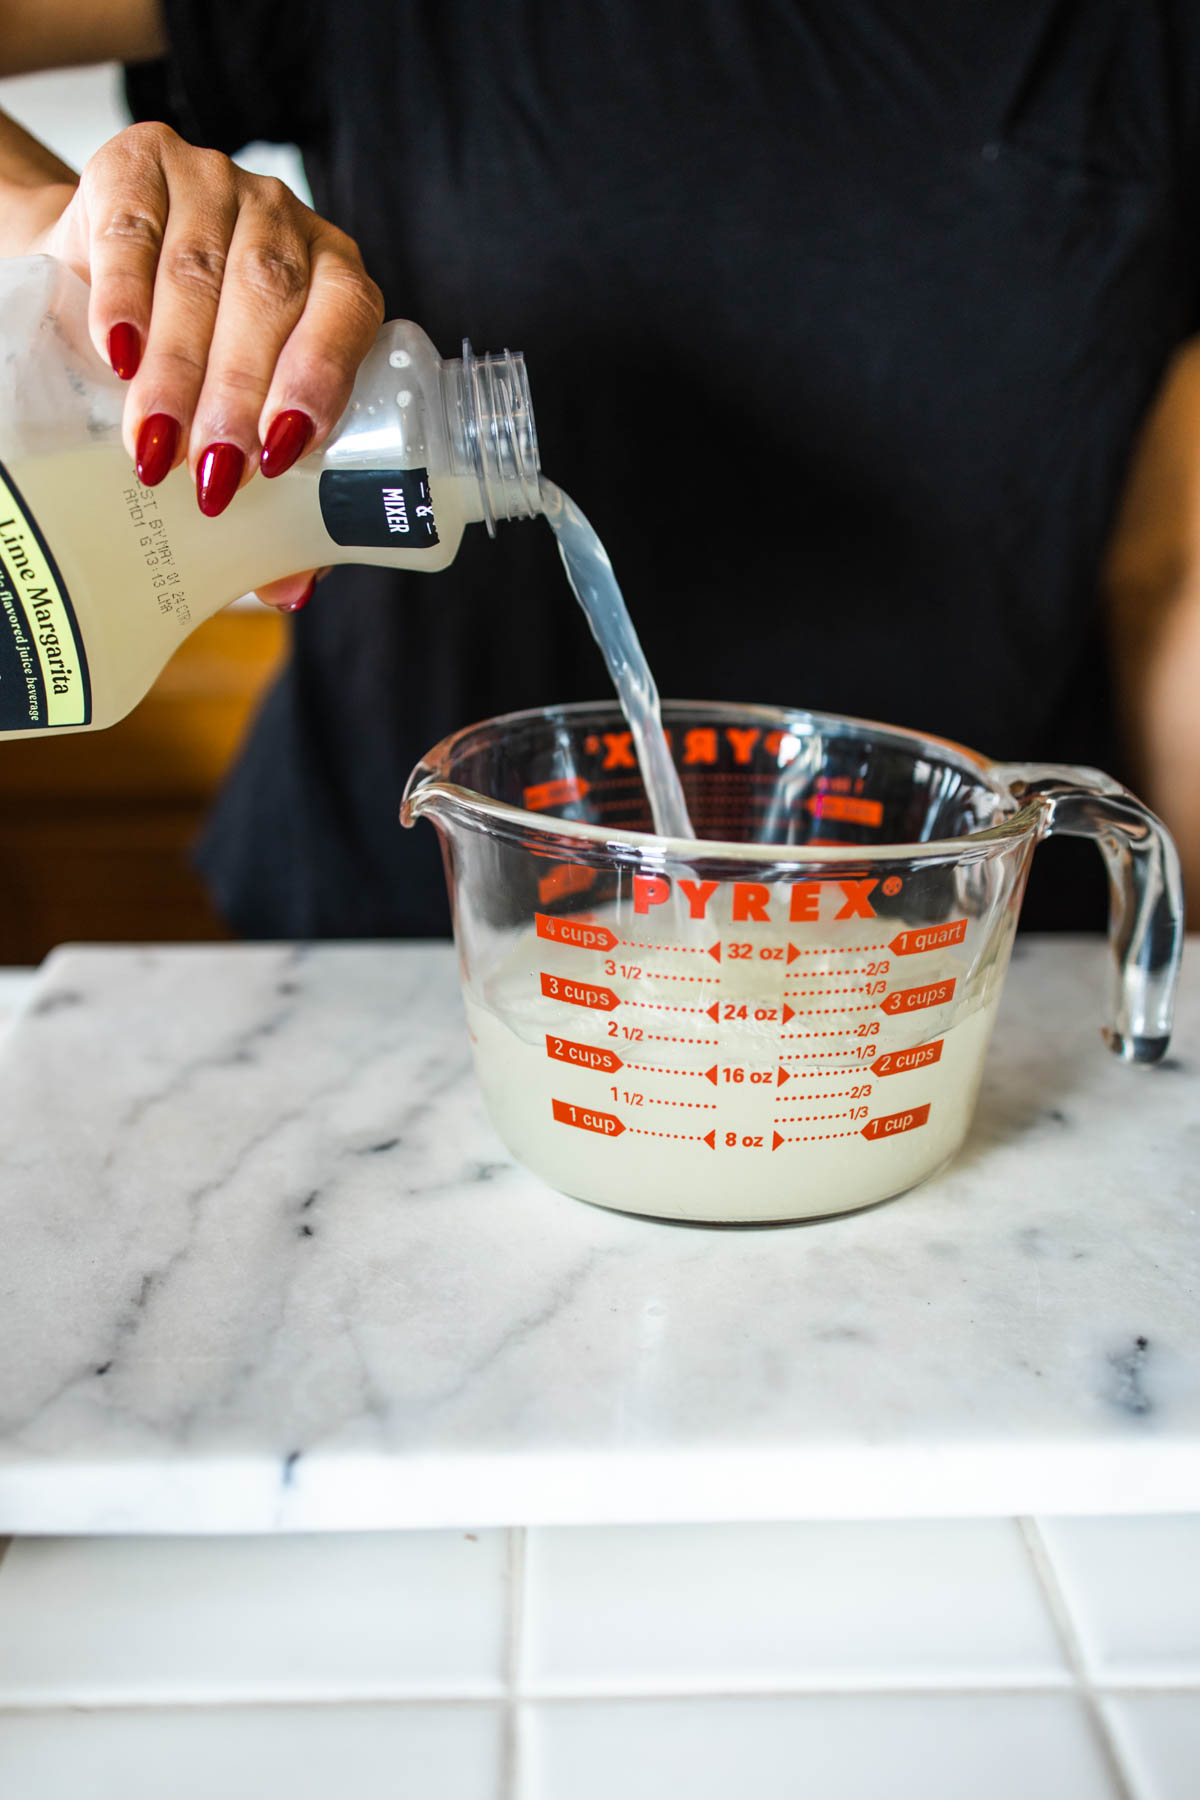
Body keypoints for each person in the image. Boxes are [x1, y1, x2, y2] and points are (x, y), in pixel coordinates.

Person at [0, 0, 1197, 936]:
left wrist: (1176, 955)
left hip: (939, 974)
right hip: (381, 956)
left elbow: (1172, 563)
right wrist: (61, 260)